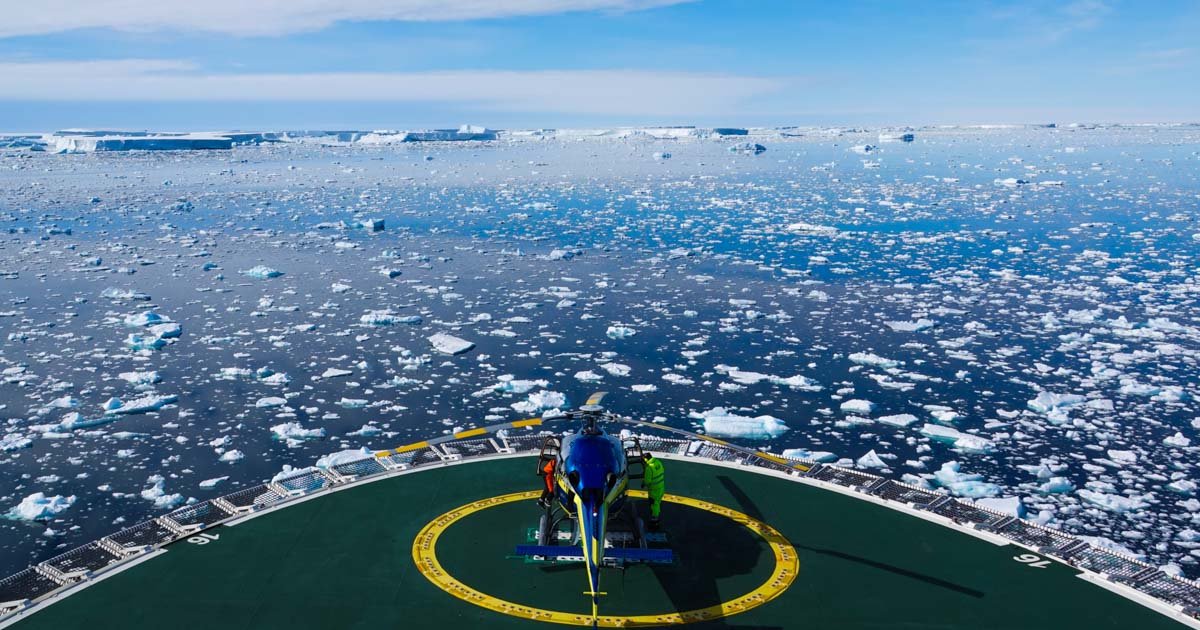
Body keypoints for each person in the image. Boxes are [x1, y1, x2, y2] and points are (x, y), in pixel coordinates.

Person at [642, 452, 665, 529]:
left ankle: (655, 520)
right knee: (657, 502)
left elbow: (647, 481)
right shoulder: (658, 462)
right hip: (661, 487)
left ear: (646, 459)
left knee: (654, 504)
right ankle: (656, 515)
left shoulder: (649, 468)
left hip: (654, 490)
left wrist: (643, 484)